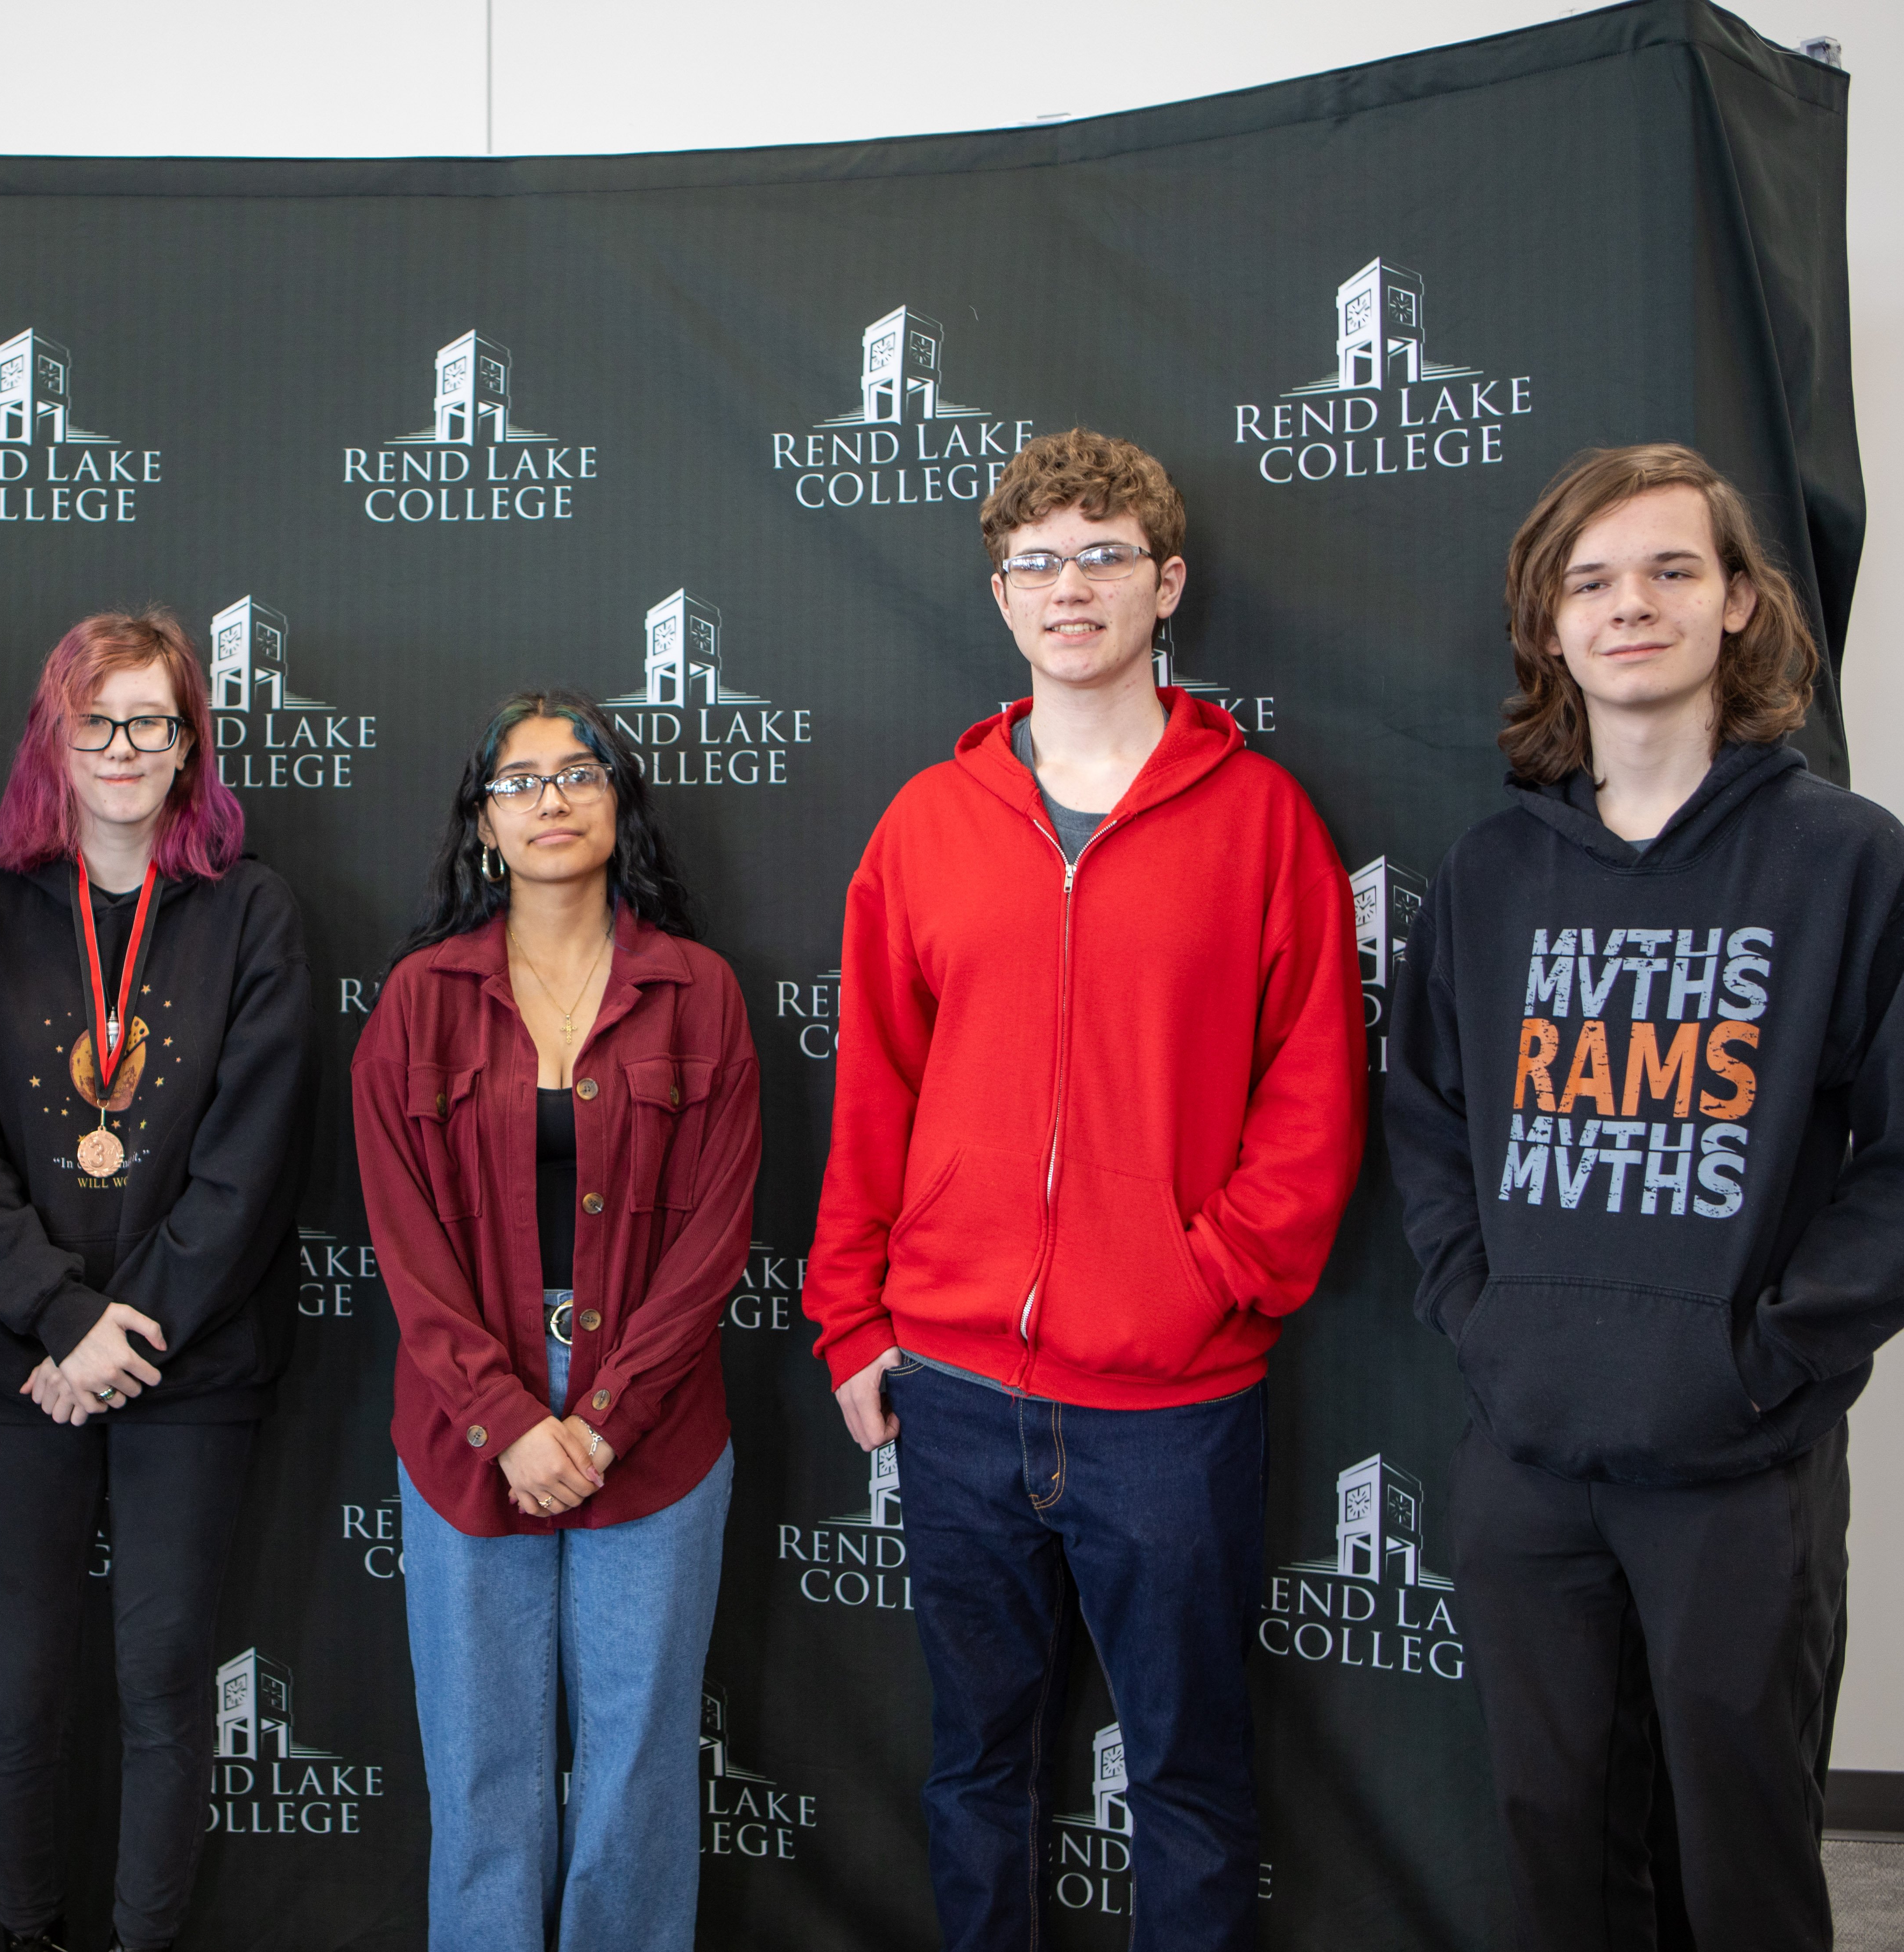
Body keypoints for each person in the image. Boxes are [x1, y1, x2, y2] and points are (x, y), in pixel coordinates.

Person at [804, 428, 1366, 1951]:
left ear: (1166, 582)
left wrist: (1194, 1284)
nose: (1071, 586)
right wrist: (850, 1319)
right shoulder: (928, 824)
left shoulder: (1262, 823)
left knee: (1185, 1776)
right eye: (1037, 560)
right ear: (999, 597)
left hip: (1171, 1404)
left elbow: (1312, 1112)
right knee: (975, 1767)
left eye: (1105, 554)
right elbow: (873, 1095)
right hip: (958, 1392)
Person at [1384, 444, 1892, 1952]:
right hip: (1529, 1459)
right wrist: (1491, 1326)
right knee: (1555, 1850)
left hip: (1737, 1465)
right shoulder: (1487, 874)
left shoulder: (1846, 861)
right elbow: (1428, 1125)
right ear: (1547, 627)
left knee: (1739, 1862)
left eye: (1671, 570)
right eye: (1588, 581)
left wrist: (1770, 1357)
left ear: (1737, 602)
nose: (1630, 607)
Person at [0, 610, 311, 1952]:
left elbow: (248, 1162)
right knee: (20, 1690)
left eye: (154, 721)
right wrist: (60, 1316)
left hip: (188, 1366)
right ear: (54, 740)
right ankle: (32, 1936)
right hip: (23, 1359)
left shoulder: (251, 913)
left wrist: (126, 1332)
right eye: (99, 720)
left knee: (159, 1681)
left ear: (190, 743)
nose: (126, 747)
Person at [351, 689, 757, 1952]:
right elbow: (407, 1250)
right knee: (483, 1762)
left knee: (637, 1764)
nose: (551, 798)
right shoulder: (418, 1002)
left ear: (618, 803)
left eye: (578, 772)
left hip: (659, 1417)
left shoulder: (699, 993)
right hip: (469, 1417)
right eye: (519, 781)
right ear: (482, 824)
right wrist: (509, 1420)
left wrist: (605, 1413)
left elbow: (713, 1241)